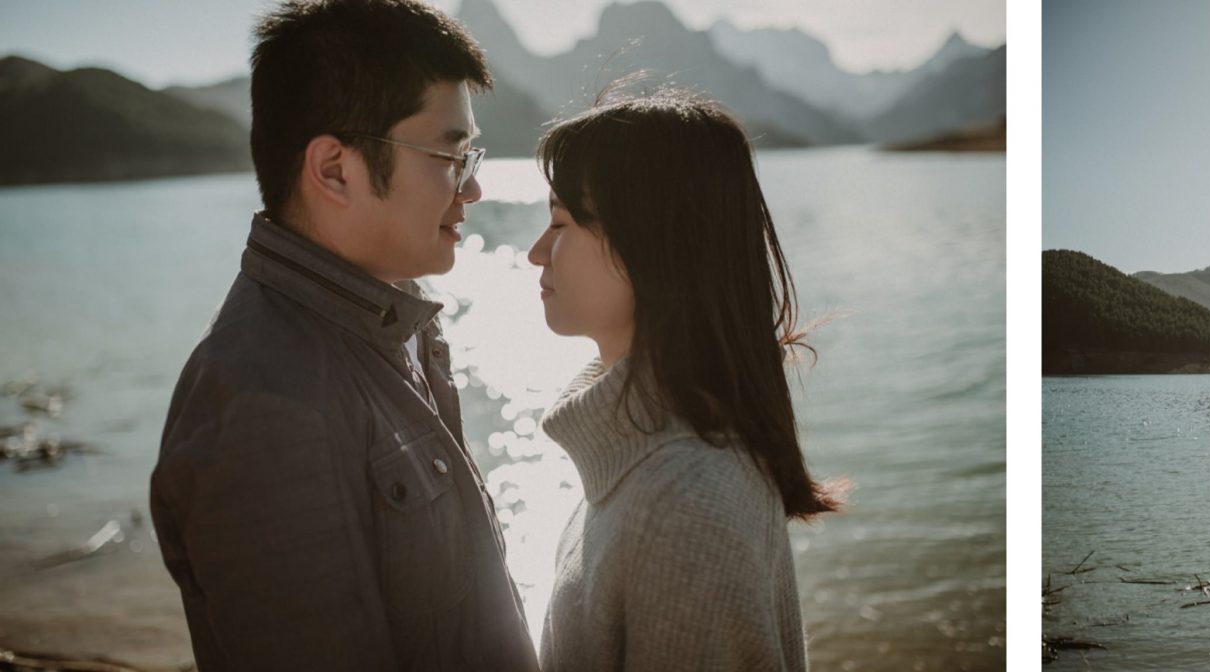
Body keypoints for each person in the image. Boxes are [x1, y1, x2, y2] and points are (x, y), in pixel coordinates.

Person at [149, 1, 538, 669]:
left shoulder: (387, 326)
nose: (471, 189)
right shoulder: (267, 404)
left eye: (471, 153)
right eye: (449, 154)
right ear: (334, 170)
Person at [526, 88, 839, 670]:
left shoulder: (686, 504)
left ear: (653, 242)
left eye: (561, 222)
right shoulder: (639, 453)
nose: (536, 252)